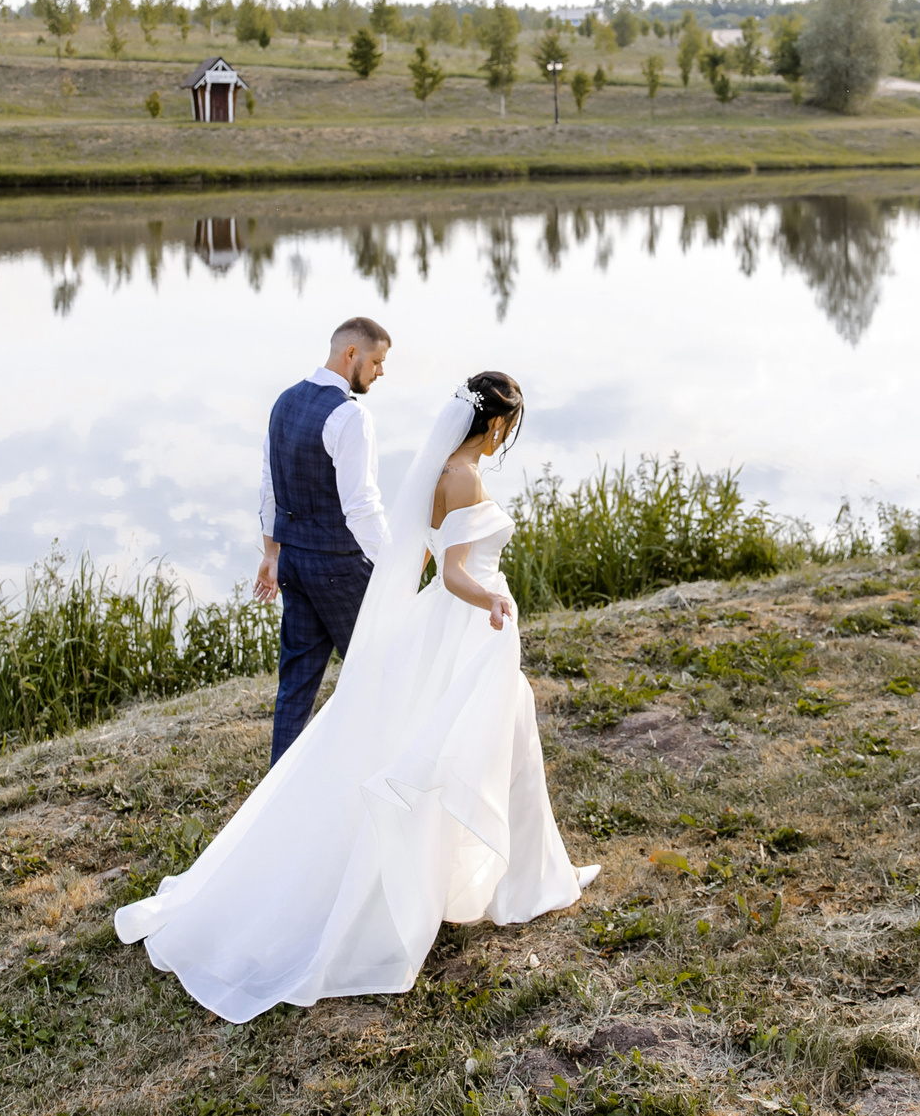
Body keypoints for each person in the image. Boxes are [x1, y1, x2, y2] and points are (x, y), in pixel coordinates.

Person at [116, 370, 599, 1023]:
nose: (505, 439)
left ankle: (522, 875)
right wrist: (493, 599)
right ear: (495, 423)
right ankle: (512, 880)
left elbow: (423, 557)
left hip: (452, 627)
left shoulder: (441, 472)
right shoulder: (464, 476)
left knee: (496, 732)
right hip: (471, 628)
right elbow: (454, 571)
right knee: (475, 740)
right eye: (508, 429)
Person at [256, 316, 394, 764]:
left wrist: (271, 553)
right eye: (376, 361)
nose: (380, 372)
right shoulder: (350, 416)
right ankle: (376, 771)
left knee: (295, 683)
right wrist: (393, 564)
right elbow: (362, 506)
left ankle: (278, 788)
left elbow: (270, 487)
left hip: (294, 562)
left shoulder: (284, 401)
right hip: (338, 568)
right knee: (380, 668)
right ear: (351, 353)